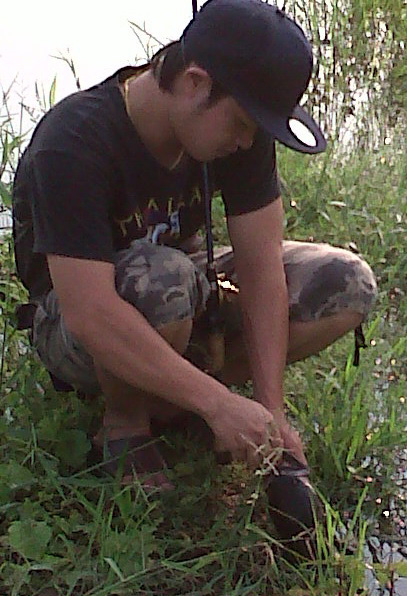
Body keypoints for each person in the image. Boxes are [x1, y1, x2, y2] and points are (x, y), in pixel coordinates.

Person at [12, 0, 377, 518]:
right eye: (244, 123)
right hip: (79, 324)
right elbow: (87, 310)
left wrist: (270, 409)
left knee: (346, 283)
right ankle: (126, 425)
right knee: (163, 280)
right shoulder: (73, 143)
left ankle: (180, 398)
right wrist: (218, 404)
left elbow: (261, 267)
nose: (248, 141)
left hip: (182, 292)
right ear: (194, 82)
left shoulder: (236, 131)